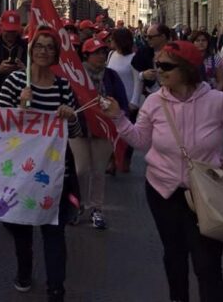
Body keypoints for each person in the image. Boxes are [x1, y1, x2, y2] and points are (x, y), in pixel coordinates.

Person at [106, 40, 223, 302]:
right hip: (162, 191)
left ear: (187, 69)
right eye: (158, 64)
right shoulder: (154, 102)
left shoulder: (217, 101)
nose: (159, 70)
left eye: (166, 66)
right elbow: (142, 141)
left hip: (205, 192)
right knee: (174, 254)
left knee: (206, 263)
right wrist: (118, 117)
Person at [0, 26, 80, 302]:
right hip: (19, 172)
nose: (43, 51)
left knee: (53, 232)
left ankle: (56, 288)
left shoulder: (62, 86)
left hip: (54, 174)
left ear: (56, 53)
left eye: (49, 47)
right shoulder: (14, 83)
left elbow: (77, 131)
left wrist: (70, 117)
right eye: (39, 46)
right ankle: (24, 270)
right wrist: (20, 108)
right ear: (31, 50)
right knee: (20, 228)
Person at [71, 38, 128, 230]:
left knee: (98, 171)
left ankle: (96, 209)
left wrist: (113, 110)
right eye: (96, 52)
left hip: (103, 131)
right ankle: (78, 205)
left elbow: (122, 103)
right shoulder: (77, 77)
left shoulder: (111, 76)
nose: (101, 56)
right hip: (79, 129)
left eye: (103, 52)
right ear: (86, 55)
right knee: (81, 170)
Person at [106, 27, 142, 173]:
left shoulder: (134, 58)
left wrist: (134, 102)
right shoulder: (110, 54)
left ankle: (126, 160)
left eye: (113, 39)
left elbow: (138, 81)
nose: (110, 41)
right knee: (111, 132)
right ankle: (112, 161)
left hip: (128, 101)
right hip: (112, 100)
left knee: (127, 134)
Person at [132, 23, 171, 96]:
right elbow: (135, 74)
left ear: (162, 36)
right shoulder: (142, 52)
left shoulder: (176, 52)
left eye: (150, 37)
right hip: (151, 95)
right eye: (146, 36)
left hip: (172, 95)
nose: (147, 39)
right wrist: (143, 75)